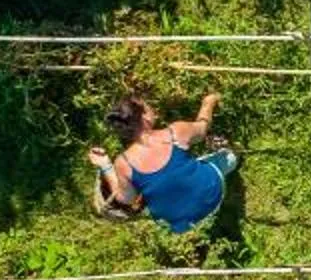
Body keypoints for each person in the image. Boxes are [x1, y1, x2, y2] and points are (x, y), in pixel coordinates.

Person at [89, 91, 236, 233]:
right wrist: (208, 102)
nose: (153, 108)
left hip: (178, 224)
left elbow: (127, 199)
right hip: (213, 195)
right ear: (145, 118)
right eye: (148, 107)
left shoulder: (123, 163)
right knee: (229, 156)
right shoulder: (175, 133)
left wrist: (106, 166)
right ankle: (229, 153)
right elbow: (202, 127)